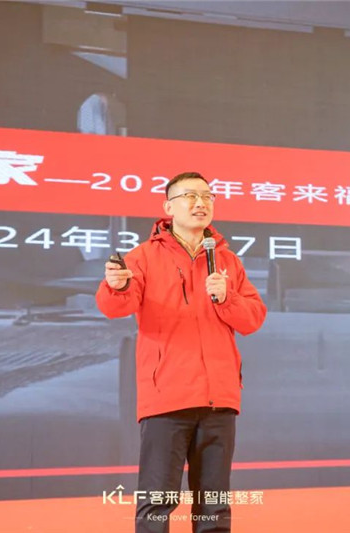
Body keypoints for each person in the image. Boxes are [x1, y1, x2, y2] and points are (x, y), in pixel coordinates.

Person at [96, 171, 267, 533]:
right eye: (190, 196)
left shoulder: (227, 261)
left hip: (218, 399)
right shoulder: (143, 257)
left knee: (214, 507)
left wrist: (227, 297)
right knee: (157, 503)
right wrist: (115, 286)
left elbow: (253, 318)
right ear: (168, 207)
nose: (200, 203)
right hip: (167, 397)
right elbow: (116, 306)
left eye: (207, 196)